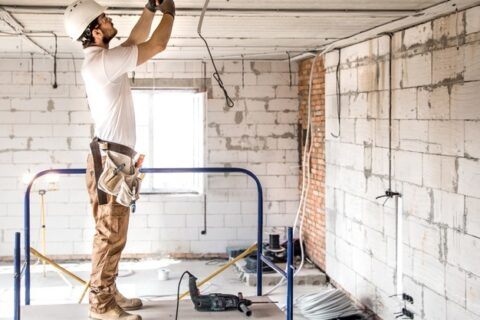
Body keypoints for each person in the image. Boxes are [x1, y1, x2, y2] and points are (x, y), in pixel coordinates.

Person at [64, 0, 175, 319]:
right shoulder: (102, 64)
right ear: (96, 31)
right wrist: (170, 12)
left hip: (112, 157)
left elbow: (133, 42)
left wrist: (150, 11)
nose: (111, 20)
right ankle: (100, 305)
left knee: (112, 232)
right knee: (110, 233)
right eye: (106, 18)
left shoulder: (104, 59)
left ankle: (108, 293)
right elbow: (157, 43)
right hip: (110, 159)